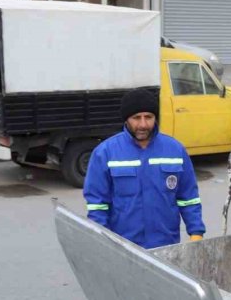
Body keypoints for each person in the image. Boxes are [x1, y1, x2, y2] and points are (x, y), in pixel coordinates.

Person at [84, 88, 205, 248]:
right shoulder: (105, 153)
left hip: (166, 245)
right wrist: (103, 241)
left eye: (149, 117)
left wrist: (196, 233)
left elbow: (189, 198)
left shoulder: (175, 150)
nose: (143, 124)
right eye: (136, 118)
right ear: (126, 119)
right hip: (122, 245)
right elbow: (97, 205)